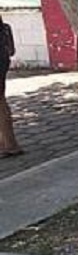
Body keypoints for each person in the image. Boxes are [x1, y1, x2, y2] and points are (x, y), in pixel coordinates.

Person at [0, 13, 22, 158]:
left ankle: (10, 145)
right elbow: (12, 51)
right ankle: (7, 143)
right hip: (3, 64)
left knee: (1, 105)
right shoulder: (5, 28)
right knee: (2, 102)